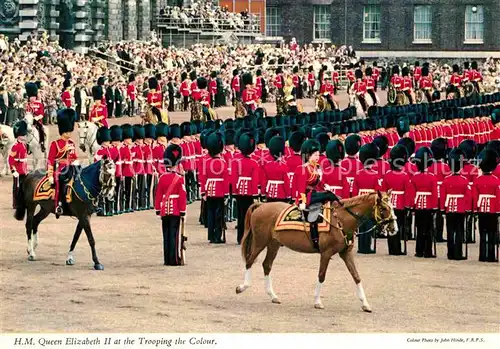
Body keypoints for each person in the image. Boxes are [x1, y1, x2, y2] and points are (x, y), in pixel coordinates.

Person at [294, 139, 340, 250]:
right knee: (329, 196)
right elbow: (301, 188)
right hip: (307, 196)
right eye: (315, 155)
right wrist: (302, 202)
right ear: (308, 155)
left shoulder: (316, 167)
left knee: (329, 195)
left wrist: (325, 186)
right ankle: (315, 239)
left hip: (314, 194)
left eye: (318, 155)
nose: (317, 157)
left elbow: (319, 183)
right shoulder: (303, 169)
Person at [155, 144, 187, 266]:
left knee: (166, 235)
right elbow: (182, 196)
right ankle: (173, 259)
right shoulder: (179, 178)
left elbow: (158, 195)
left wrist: (158, 209)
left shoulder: (162, 178)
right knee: (174, 235)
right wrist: (183, 211)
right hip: (175, 210)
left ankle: (166, 259)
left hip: (164, 210)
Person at [380, 144, 412, 255]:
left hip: (389, 203)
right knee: (398, 226)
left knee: (390, 225)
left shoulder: (387, 175)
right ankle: (397, 249)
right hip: (400, 203)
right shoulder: (405, 176)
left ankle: (391, 249)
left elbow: (383, 191)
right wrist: (408, 205)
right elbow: (408, 193)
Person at [47, 108, 78, 218]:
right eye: (66, 132)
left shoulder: (72, 143)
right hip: (60, 168)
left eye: (70, 132)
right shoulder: (55, 144)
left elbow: (74, 157)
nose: (69, 134)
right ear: (62, 131)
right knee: (61, 181)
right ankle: (59, 204)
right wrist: (50, 174)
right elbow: (50, 159)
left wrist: (75, 162)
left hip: (72, 167)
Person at [199, 131, 229, 244]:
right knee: (219, 214)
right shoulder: (223, 163)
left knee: (210, 214)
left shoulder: (206, 162)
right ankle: (218, 236)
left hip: (209, 190)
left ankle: (211, 235)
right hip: (220, 191)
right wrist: (226, 194)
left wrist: (203, 192)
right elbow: (226, 180)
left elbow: (203, 178)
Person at [441, 148, 470, 260]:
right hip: (460, 208)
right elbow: (468, 196)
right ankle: (458, 253)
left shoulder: (446, 180)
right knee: (459, 231)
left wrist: (443, 208)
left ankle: (450, 253)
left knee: (449, 230)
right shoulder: (464, 180)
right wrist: (467, 208)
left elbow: (443, 196)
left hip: (449, 208)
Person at [352, 143, 381, 254]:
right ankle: (367, 247)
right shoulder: (375, 175)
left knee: (361, 224)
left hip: (360, 200)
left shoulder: (358, 174)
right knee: (368, 224)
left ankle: (361, 247)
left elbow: (355, 191)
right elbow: (378, 191)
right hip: (370, 200)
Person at [472, 149, 499, 262]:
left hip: (481, 208)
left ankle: (482, 255)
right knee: (492, 233)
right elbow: (498, 198)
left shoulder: (477, 180)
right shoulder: (496, 181)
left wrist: (475, 209)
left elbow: (475, 196)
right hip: (493, 209)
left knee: (482, 233)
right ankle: (491, 255)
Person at [410, 147, 438, 258]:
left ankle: (419, 251)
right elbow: (435, 194)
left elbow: (412, 194)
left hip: (418, 206)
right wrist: (435, 206)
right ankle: (428, 251)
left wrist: (412, 205)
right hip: (429, 205)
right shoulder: (432, 177)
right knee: (428, 229)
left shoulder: (414, 177)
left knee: (419, 229)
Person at [233, 131, 260, 244]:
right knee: (249, 216)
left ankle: (240, 237)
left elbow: (234, 178)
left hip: (239, 190)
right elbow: (254, 180)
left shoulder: (236, 161)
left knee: (240, 215)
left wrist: (234, 191)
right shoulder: (254, 163)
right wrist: (255, 193)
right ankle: (248, 237)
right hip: (249, 191)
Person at [428, 138, 451, 242]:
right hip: (441, 193)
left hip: (431, 192)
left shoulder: (429, 166)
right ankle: (438, 235)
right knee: (439, 216)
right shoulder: (445, 166)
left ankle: (431, 233)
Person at [261, 136, 290, 203]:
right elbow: (286, 183)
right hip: (282, 194)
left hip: (269, 194)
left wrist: (263, 193)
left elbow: (264, 181)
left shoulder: (267, 165)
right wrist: (288, 195)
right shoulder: (284, 166)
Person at [8, 120, 28, 209]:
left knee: (23, 187)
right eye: (23, 135)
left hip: (23, 168)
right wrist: (13, 170)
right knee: (16, 187)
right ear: (19, 136)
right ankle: (15, 203)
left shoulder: (23, 145)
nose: (25, 136)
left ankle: (22, 202)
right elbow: (11, 159)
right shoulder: (15, 146)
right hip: (17, 169)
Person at [94, 126, 113, 216]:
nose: (108, 142)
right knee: (102, 192)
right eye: (107, 141)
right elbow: (96, 161)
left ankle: (108, 209)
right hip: (103, 174)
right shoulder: (100, 151)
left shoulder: (108, 150)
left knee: (108, 191)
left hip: (108, 174)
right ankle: (101, 210)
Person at [25, 82, 45, 152]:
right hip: (29, 120)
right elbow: (27, 112)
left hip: (37, 120)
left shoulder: (39, 104)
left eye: (33, 97)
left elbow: (42, 113)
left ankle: (42, 143)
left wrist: (36, 118)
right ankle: (25, 144)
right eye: (31, 97)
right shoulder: (28, 104)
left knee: (41, 129)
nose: (32, 98)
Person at [120, 124, 135, 213]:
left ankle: (128, 206)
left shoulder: (130, 148)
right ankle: (123, 206)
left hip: (129, 172)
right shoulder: (122, 148)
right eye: (129, 139)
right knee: (123, 190)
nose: (130, 140)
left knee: (129, 190)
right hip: (123, 172)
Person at [109, 125, 123, 215]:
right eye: (115, 141)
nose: (117, 142)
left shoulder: (120, 149)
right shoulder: (112, 150)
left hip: (119, 173)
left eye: (118, 141)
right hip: (112, 174)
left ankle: (115, 208)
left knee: (117, 191)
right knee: (111, 191)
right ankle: (111, 208)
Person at [132, 125, 146, 211]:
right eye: (140, 139)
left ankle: (142, 203)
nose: (141, 141)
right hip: (135, 170)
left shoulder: (143, 147)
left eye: (142, 139)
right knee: (134, 189)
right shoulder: (134, 148)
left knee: (142, 188)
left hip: (142, 170)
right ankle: (134, 204)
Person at [143, 123, 156, 209]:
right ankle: (144, 202)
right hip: (143, 169)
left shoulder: (151, 147)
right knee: (145, 187)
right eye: (149, 138)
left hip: (150, 169)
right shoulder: (144, 147)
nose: (151, 140)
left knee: (149, 186)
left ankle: (148, 202)